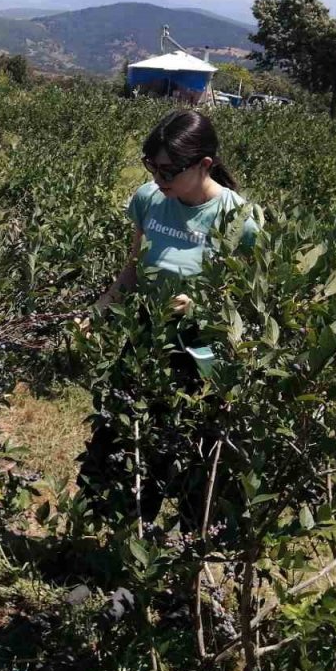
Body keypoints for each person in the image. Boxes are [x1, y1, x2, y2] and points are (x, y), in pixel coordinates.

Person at [80, 109, 260, 525]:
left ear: (204, 164)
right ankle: (103, 537)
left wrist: (201, 305)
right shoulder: (149, 199)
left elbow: (252, 299)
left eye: (168, 170)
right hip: (145, 340)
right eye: (152, 166)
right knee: (118, 442)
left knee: (179, 455)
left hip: (201, 358)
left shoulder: (240, 219)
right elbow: (132, 269)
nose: (159, 178)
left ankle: (172, 548)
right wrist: (100, 310)